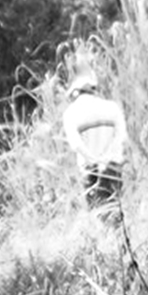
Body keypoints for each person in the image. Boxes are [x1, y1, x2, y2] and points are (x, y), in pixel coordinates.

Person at [62, 65, 128, 224]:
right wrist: (106, 160)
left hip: (89, 171)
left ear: (75, 93)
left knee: (98, 215)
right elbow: (121, 137)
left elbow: (76, 145)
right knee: (115, 210)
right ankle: (122, 244)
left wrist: (95, 161)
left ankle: (106, 246)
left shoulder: (70, 113)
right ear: (93, 90)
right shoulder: (112, 107)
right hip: (113, 167)